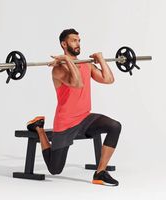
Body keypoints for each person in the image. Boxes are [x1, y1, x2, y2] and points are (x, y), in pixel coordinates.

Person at [27, 28, 122, 186]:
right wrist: (67, 60)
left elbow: (109, 79)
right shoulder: (58, 69)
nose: (77, 44)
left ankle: (100, 173)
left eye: (78, 40)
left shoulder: (86, 64)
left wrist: (101, 58)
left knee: (115, 126)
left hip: (85, 118)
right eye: (73, 40)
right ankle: (39, 128)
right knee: (55, 169)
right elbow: (77, 83)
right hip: (66, 123)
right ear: (64, 44)